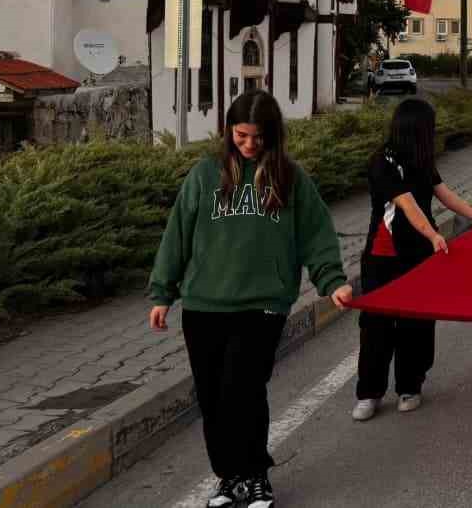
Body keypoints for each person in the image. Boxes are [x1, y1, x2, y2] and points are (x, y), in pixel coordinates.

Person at [148, 91, 351, 508]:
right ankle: (229, 478)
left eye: (258, 137)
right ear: (228, 131)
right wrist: (162, 293)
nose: (249, 144)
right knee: (212, 398)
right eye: (241, 135)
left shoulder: (289, 178)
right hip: (204, 306)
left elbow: (317, 234)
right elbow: (177, 235)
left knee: (243, 390)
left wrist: (332, 281)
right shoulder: (205, 176)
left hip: (263, 305)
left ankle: (256, 475)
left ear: (272, 135)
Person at [353, 99, 472, 423]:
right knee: (376, 326)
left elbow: (443, 192)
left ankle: (410, 386)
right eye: (429, 127)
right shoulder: (382, 161)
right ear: (415, 129)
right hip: (382, 257)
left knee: (416, 323)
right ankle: (369, 392)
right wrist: (433, 234)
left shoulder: (422, 159)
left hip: (417, 257)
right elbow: (406, 204)